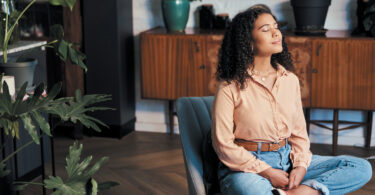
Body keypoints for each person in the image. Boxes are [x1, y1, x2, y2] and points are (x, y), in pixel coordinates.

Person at [211, 7, 372, 195]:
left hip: (287, 158)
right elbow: (223, 145)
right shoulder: (229, 87)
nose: (276, 32)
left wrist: (300, 167)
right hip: (246, 165)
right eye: (265, 29)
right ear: (248, 41)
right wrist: (268, 172)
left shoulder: (290, 80)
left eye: (276, 26)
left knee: (360, 167)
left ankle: (297, 193)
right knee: (249, 189)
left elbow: (298, 134)